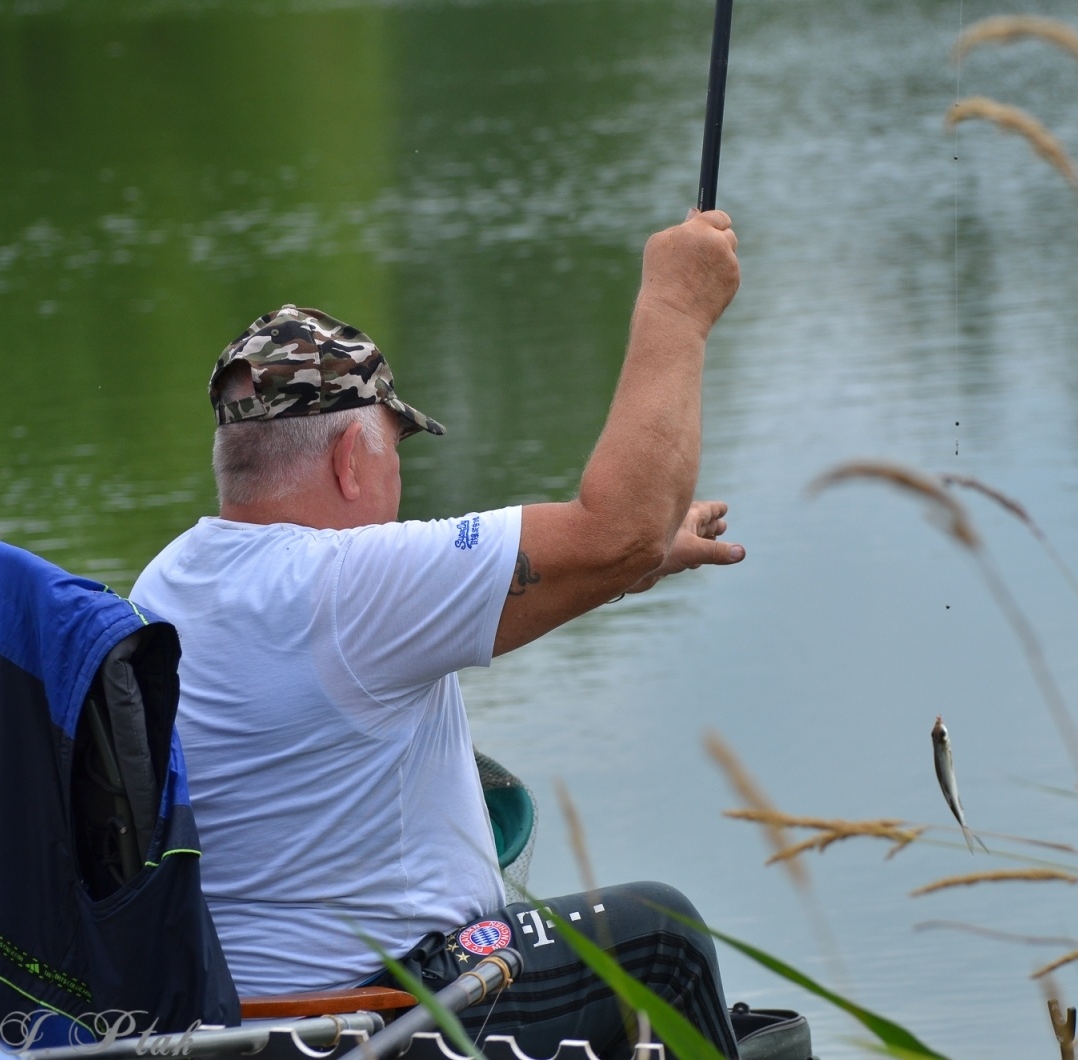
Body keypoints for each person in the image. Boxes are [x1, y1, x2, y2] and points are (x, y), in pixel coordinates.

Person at [130, 208, 746, 1058]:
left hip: (245, 1023)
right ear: (352, 456)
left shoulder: (173, 579)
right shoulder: (347, 585)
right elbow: (621, 526)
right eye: (394, 449)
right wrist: (675, 307)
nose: (396, 478)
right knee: (661, 937)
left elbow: (609, 552)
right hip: (374, 1018)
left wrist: (619, 565)